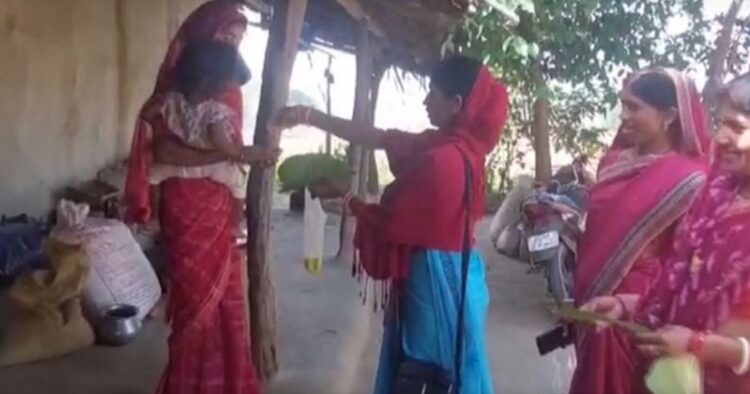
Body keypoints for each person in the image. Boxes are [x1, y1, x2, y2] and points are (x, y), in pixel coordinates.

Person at [270, 55, 509, 394]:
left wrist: (347, 197)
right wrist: (307, 116)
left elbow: (392, 225)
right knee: (450, 367)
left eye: (433, 93)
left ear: (456, 104)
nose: (425, 100)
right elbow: (379, 136)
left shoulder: (442, 161)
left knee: (428, 368)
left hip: (435, 278)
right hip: (459, 274)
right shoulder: (456, 147)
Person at [123, 1, 272, 393]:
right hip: (186, 208)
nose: (233, 44)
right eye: (227, 36)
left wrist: (227, 166)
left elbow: (214, 157)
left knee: (226, 298)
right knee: (193, 302)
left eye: (239, 38)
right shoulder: (172, 92)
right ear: (204, 38)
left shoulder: (228, 91)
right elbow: (165, 154)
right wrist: (229, 156)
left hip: (217, 206)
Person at [583, 73, 750, 394]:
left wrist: (698, 344)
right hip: (671, 378)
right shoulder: (716, 195)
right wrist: (626, 304)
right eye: (721, 124)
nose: (721, 137)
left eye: (738, 128)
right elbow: (683, 288)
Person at [569, 68, 710, 394]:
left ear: (669, 116)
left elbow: (686, 260)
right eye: (623, 105)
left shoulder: (692, 180)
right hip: (592, 300)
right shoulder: (613, 162)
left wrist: (632, 299)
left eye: (635, 107)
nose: (625, 116)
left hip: (636, 314)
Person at [148, 41, 262, 233]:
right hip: (211, 166)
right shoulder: (214, 112)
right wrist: (240, 153)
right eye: (225, 85)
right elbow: (220, 143)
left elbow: (148, 115)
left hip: (177, 165)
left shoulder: (171, 100)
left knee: (153, 176)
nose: (227, 91)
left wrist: (156, 120)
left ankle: (154, 219)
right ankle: (236, 225)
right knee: (238, 183)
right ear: (208, 83)